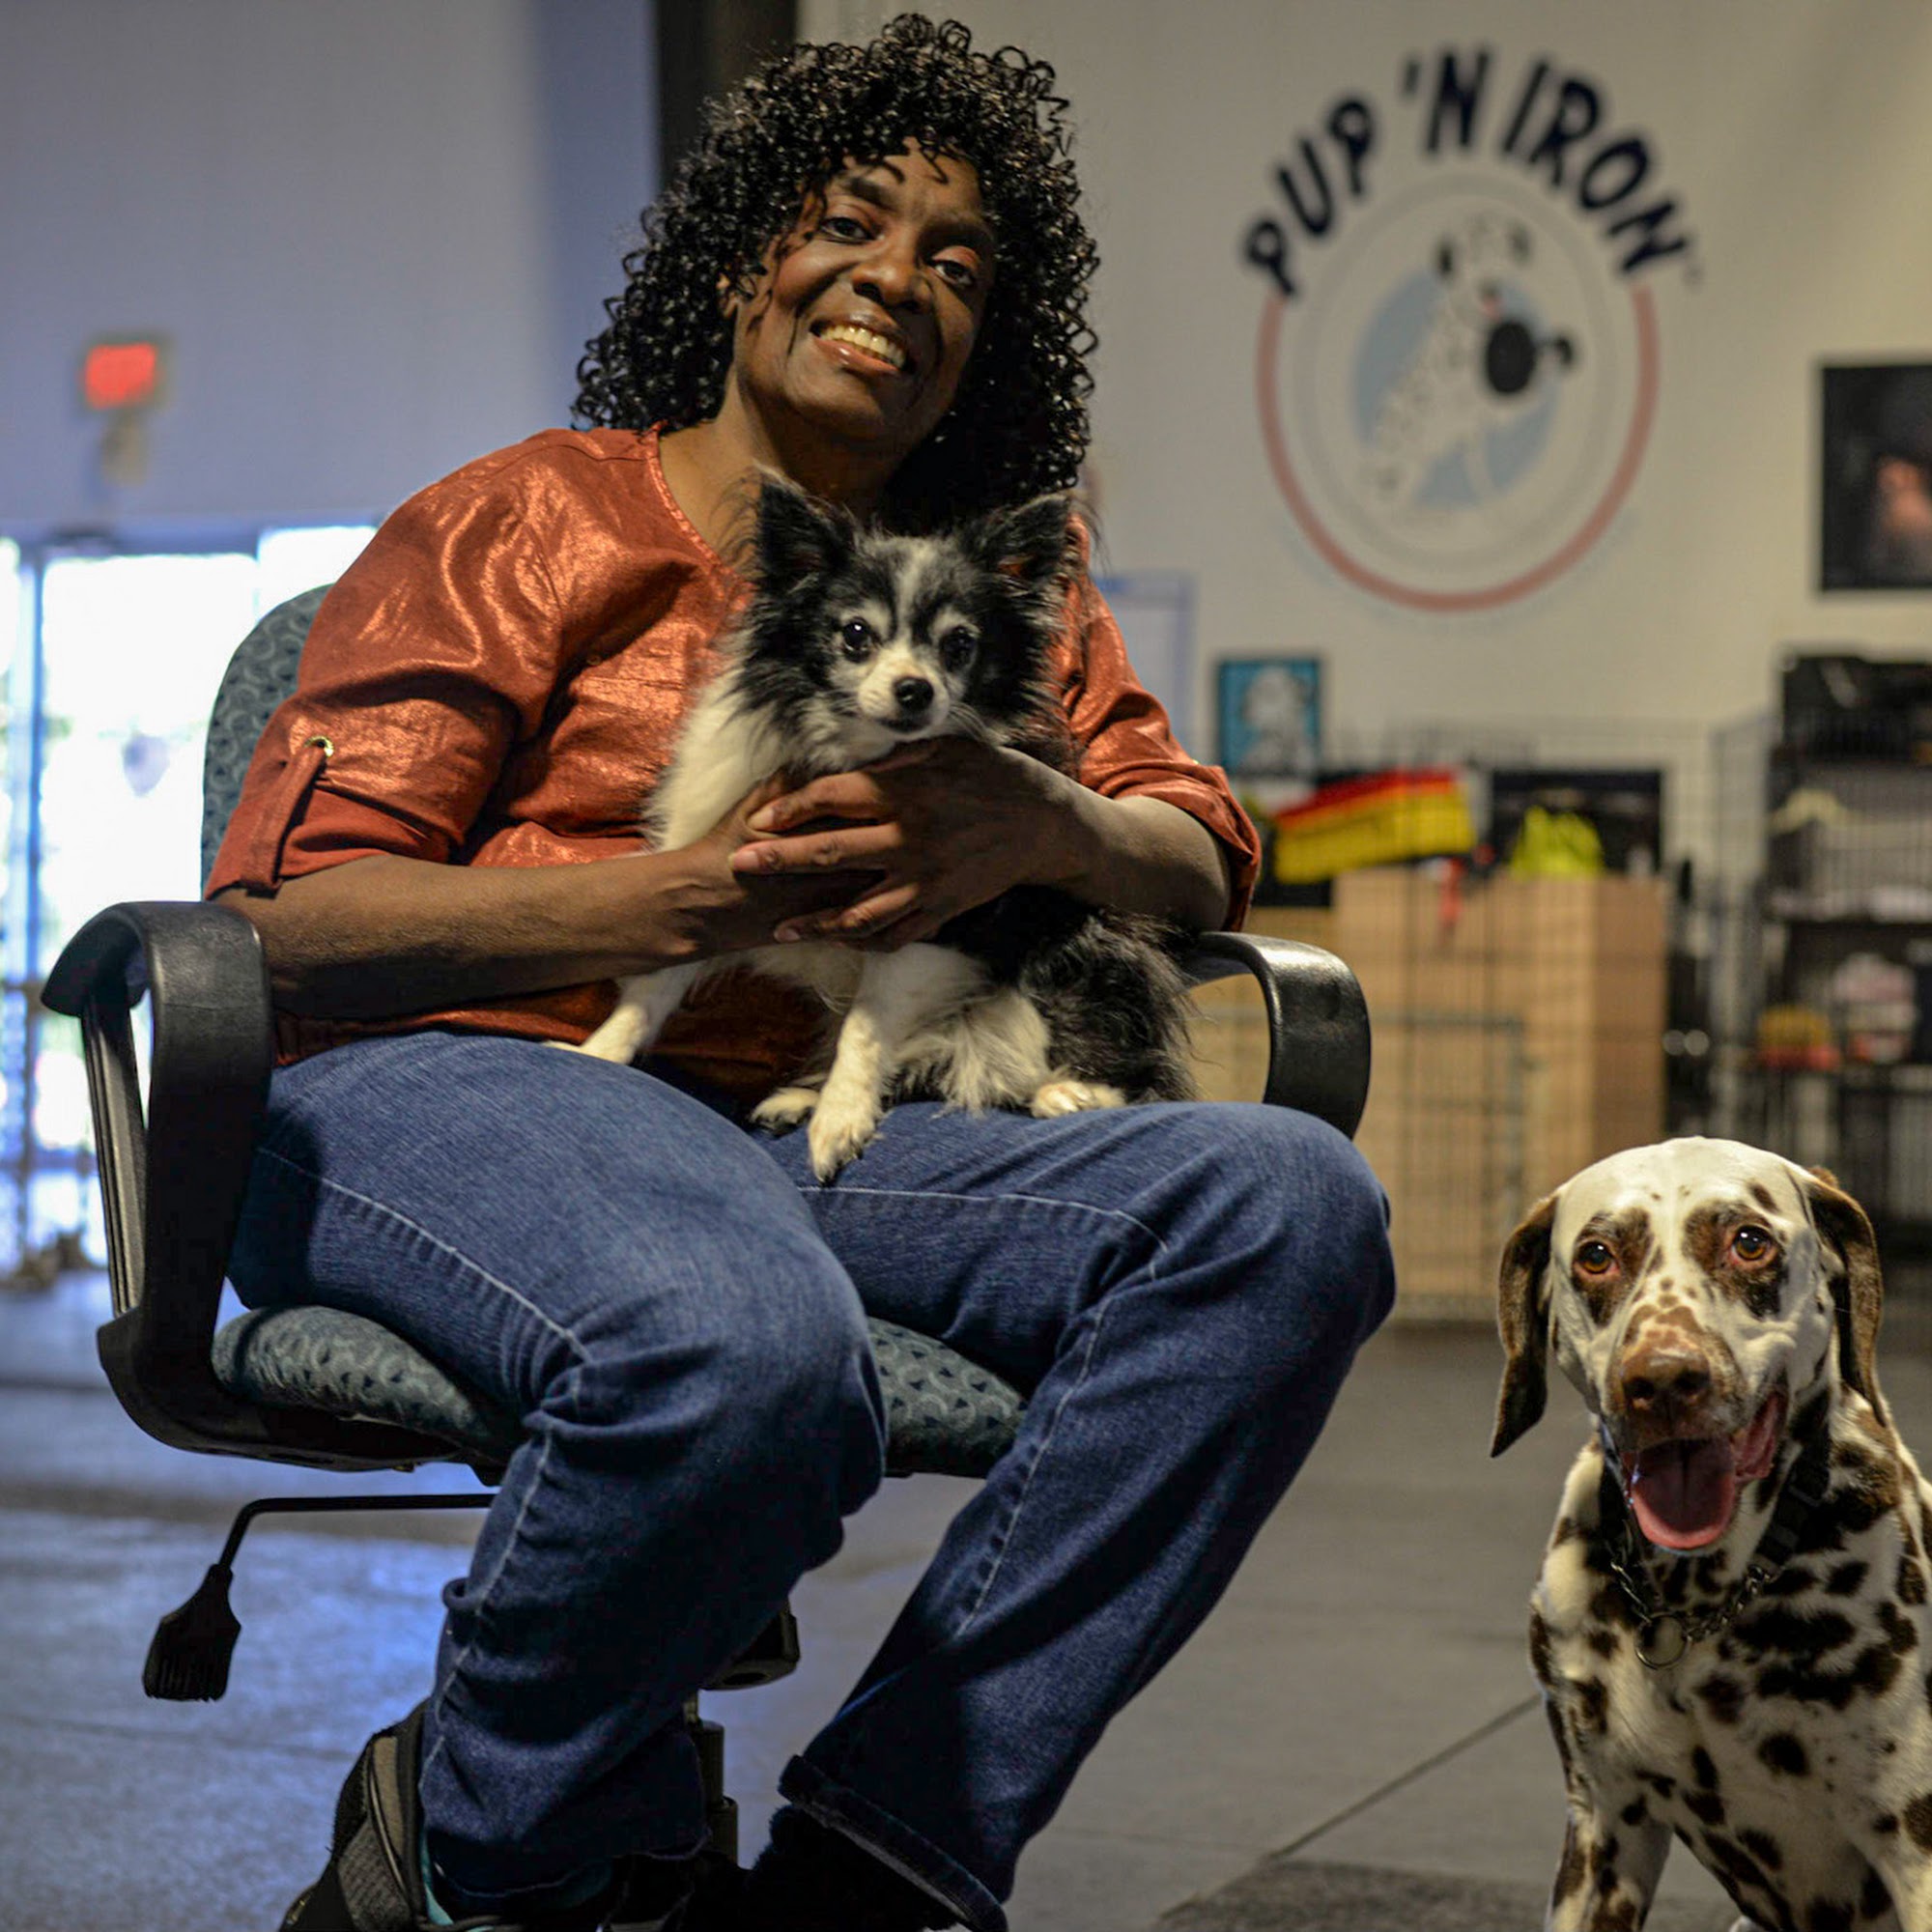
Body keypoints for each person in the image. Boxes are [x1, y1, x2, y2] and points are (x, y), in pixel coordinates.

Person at [212, 17, 1395, 1932]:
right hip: (460, 1090)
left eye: (957, 264)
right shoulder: (528, 520)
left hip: (809, 1125)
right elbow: (285, 920)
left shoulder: (988, 599)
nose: (900, 281)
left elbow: (1201, 840)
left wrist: (1047, 822)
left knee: (1290, 1208)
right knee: (744, 1337)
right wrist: (683, 900)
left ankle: (881, 1856)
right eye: (851, 223)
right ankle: (484, 1842)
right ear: (738, 258)